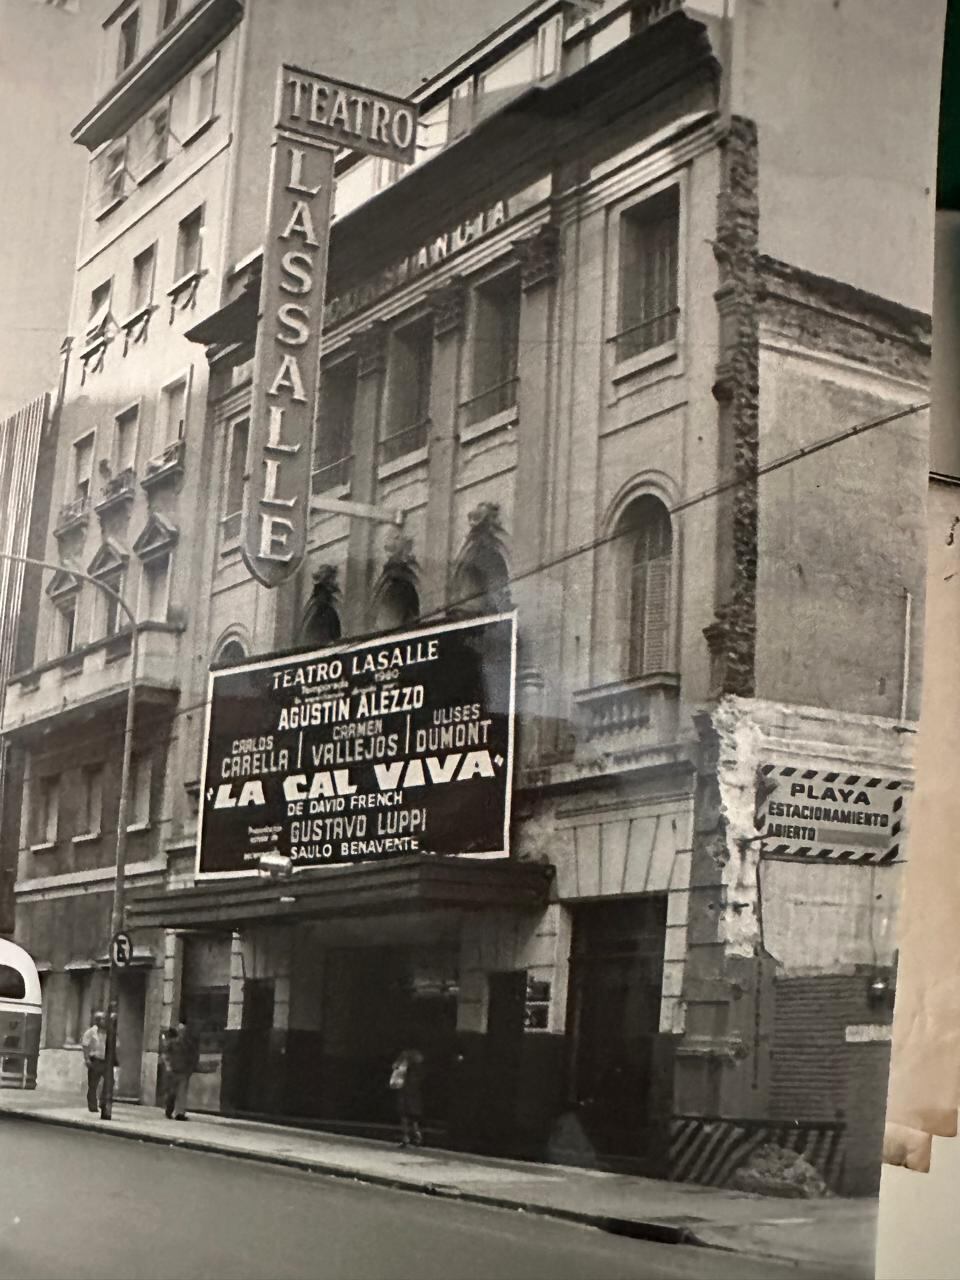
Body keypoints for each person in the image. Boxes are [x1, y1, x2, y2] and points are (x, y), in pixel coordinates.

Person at [162, 1020, 199, 1120]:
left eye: (185, 1031)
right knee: (172, 1093)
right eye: (181, 1031)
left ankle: (180, 1114)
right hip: (173, 1071)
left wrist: (191, 1068)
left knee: (182, 1093)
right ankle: (169, 1109)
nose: (183, 1033)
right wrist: (168, 1066)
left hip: (183, 1072)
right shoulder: (172, 1043)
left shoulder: (188, 1044)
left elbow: (193, 1056)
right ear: (178, 1032)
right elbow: (165, 1055)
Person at [390, 1047, 425, 1149]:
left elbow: (395, 1069)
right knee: (413, 1117)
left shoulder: (404, 1059)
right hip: (414, 1091)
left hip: (404, 1090)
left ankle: (406, 1138)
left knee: (404, 1115)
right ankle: (417, 1136)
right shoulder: (419, 1064)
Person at [80, 1011, 109, 1114]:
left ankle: (104, 1102)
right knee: (93, 1084)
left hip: (106, 1060)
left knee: (109, 1082)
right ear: (97, 1021)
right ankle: (92, 1106)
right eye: (102, 1019)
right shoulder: (91, 1032)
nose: (104, 1022)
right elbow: (85, 1045)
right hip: (95, 1060)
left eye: (105, 1019)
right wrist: (87, 1059)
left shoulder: (109, 1033)